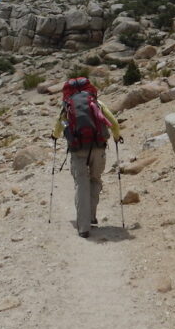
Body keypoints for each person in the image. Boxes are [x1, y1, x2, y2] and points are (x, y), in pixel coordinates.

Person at [51, 77, 122, 238]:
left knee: (81, 184)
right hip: (98, 147)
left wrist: (54, 136)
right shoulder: (97, 103)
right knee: (95, 180)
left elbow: (58, 127)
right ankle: (91, 217)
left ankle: (83, 227)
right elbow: (115, 124)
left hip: (78, 150)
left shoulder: (68, 106)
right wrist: (117, 137)